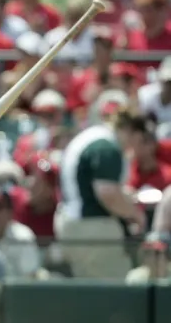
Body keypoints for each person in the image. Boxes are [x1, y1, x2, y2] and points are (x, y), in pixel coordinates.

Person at [56, 109, 148, 278]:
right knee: (110, 296)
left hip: (73, 223)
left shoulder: (91, 136)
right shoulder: (107, 147)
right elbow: (108, 194)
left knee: (89, 293)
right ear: (131, 131)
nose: (136, 147)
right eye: (139, 139)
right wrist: (135, 214)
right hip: (93, 229)